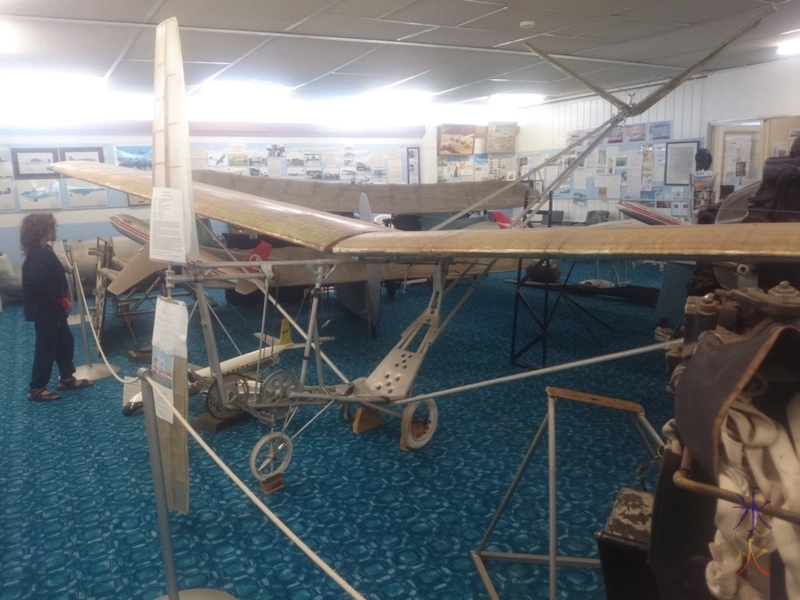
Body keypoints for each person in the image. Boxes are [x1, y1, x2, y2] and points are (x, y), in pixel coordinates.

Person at [20, 212, 92, 401]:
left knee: (64, 342)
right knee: (46, 347)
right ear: (42, 229)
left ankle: (67, 377)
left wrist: (63, 298)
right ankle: (36, 388)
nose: (55, 229)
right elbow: (43, 283)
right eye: (53, 226)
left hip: (53, 309)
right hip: (46, 310)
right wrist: (62, 300)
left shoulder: (45, 250)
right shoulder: (38, 254)